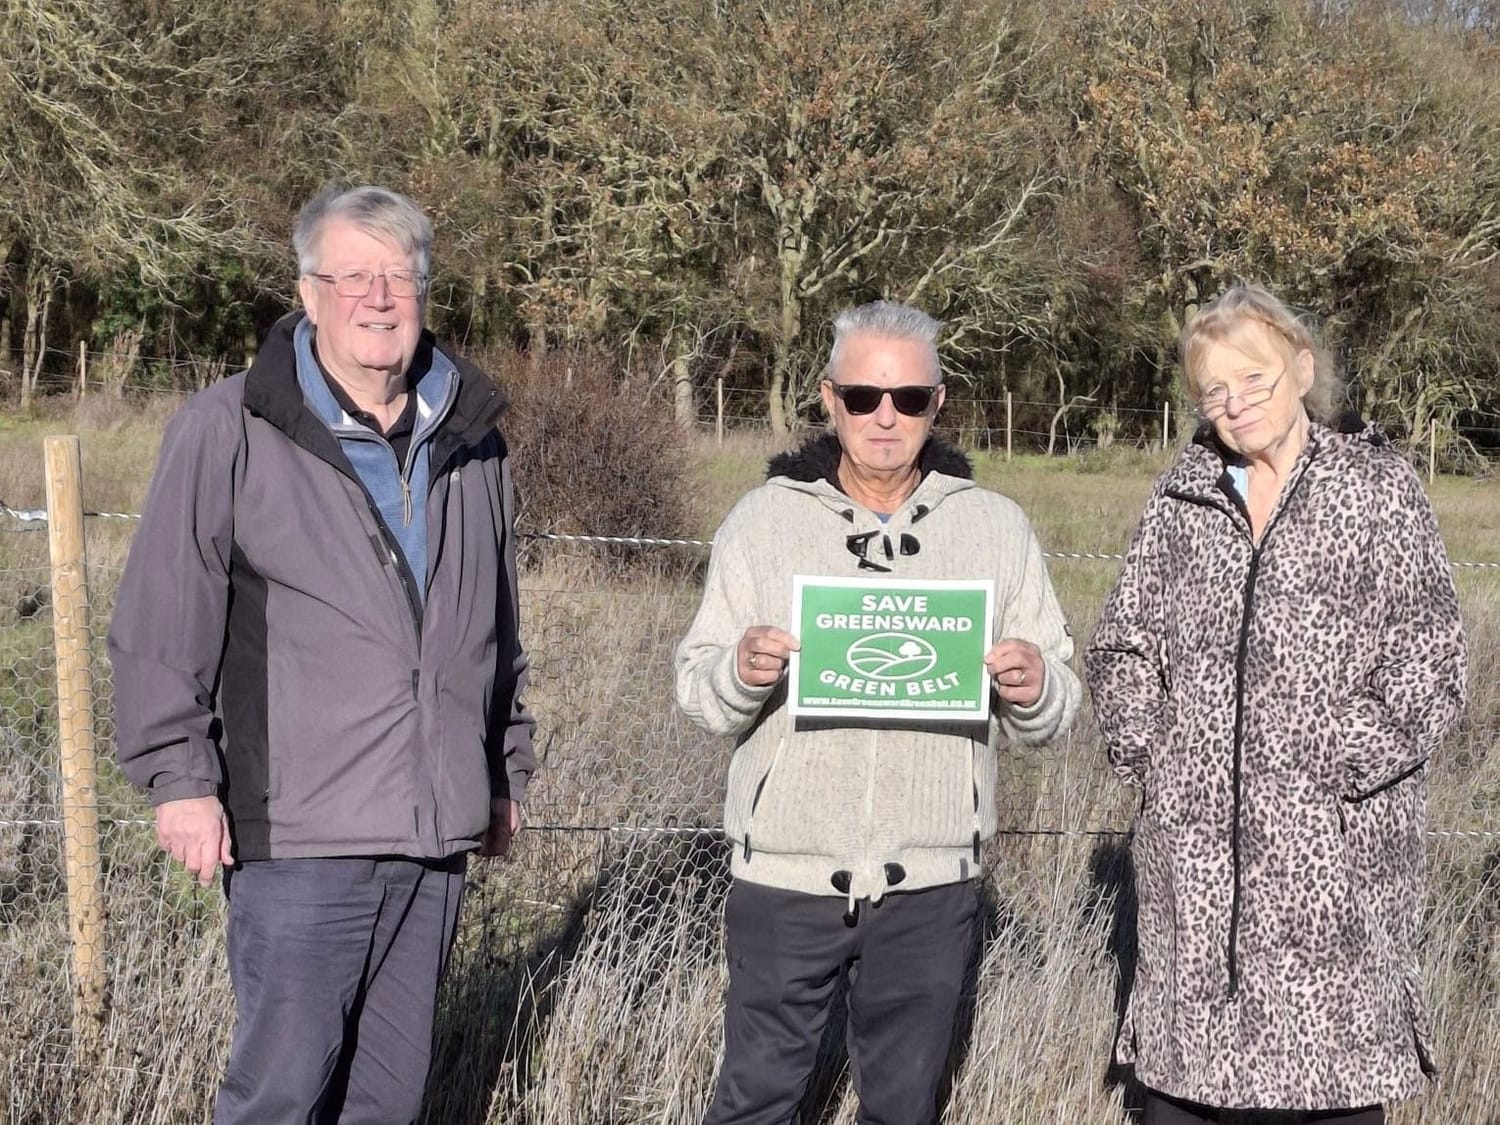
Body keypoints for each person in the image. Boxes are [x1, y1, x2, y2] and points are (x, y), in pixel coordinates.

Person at [108, 185, 535, 1125]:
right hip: (298, 834)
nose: (379, 298)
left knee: (388, 1099)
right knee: (279, 1096)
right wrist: (179, 780)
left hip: (432, 833)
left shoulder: (474, 441)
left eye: (401, 276)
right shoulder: (231, 429)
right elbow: (158, 620)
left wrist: (501, 770)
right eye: (353, 276)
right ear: (308, 294)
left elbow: (494, 626)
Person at [675, 300, 1081, 1124]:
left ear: (939, 403)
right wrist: (741, 671)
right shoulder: (763, 522)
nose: (884, 416)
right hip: (784, 871)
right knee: (754, 1098)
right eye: (863, 397)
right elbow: (698, 686)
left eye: (907, 398)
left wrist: (1036, 686)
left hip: (930, 881)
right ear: (829, 399)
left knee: (902, 1107)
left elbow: (1059, 703)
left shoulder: (996, 529)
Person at [1085, 284, 1468, 1124]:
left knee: (1322, 1100)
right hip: (1192, 896)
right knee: (1181, 1097)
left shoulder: (1377, 490)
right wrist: (1158, 757)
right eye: (1214, 389)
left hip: (1333, 892)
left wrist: (1327, 765)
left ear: (1300, 369)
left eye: (1253, 377)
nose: (1235, 403)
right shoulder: (1181, 501)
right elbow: (1121, 643)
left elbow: (1432, 659)